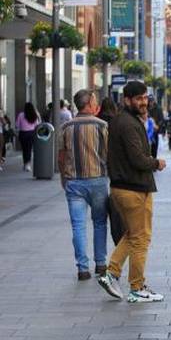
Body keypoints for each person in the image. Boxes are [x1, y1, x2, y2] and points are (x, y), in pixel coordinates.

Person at [97, 81, 167, 303]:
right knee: (140, 239)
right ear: (126, 100)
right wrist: (156, 163)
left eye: (145, 98)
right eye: (138, 98)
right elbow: (137, 158)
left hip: (128, 187)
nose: (143, 102)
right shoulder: (127, 123)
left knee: (134, 234)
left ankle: (111, 273)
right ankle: (136, 287)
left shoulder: (125, 120)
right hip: (132, 188)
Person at [57, 89, 108, 281]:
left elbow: (61, 157)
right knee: (100, 223)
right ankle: (101, 264)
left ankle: (82, 268)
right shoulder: (102, 125)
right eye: (95, 101)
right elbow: (108, 153)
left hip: (74, 181)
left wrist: (64, 178)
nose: (96, 104)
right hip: (98, 180)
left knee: (78, 226)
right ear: (89, 104)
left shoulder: (66, 127)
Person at [16, 102, 40, 171]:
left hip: (22, 133)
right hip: (31, 133)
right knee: (29, 149)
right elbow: (37, 125)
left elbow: (17, 125)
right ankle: (28, 164)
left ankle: (25, 164)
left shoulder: (21, 115)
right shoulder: (34, 115)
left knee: (24, 149)